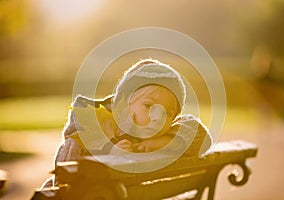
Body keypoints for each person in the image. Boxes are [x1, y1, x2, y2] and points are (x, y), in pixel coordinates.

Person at [40, 58, 212, 188]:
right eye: (148, 105)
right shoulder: (92, 128)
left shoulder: (158, 138)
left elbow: (201, 136)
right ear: (124, 102)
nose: (157, 117)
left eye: (168, 113)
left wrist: (164, 142)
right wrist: (109, 155)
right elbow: (65, 177)